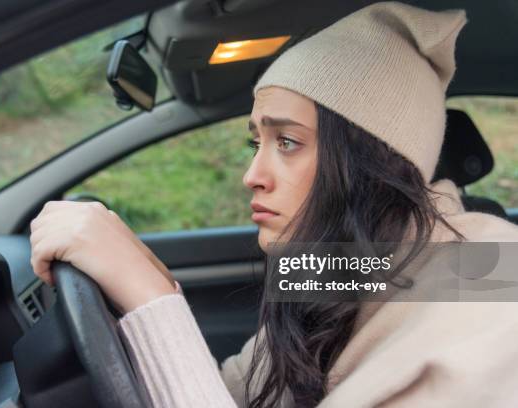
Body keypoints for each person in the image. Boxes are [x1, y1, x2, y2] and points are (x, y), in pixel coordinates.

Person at [29, 2, 518, 407]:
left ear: (370, 161)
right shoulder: (347, 267)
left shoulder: (493, 285)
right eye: (255, 144)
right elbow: (239, 393)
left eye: (287, 141)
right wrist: (149, 299)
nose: (252, 176)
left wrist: (148, 294)